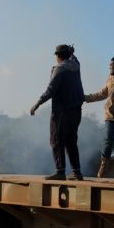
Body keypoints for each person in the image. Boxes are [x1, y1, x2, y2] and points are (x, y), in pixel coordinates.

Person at [30, 45, 85, 181]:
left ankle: (60, 172)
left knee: (57, 140)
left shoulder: (59, 69)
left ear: (58, 56)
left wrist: (37, 104)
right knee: (71, 141)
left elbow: (51, 90)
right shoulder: (76, 66)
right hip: (76, 110)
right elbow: (75, 59)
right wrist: (72, 53)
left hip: (61, 111)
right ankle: (77, 172)